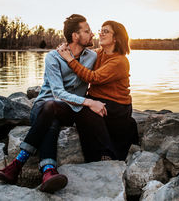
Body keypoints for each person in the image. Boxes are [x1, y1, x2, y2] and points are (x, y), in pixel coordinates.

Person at [0, 14, 107, 193]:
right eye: (87, 31)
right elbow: (58, 94)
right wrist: (89, 102)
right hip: (44, 106)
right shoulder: (53, 57)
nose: (92, 34)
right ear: (75, 36)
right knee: (50, 111)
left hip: (70, 110)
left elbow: (109, 59)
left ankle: (17, 164)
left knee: (53, 114)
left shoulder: (92, 56)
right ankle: (48, 171)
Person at [57, 20, 138, 162]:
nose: (101, 33)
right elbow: (80, 53)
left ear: (116, 38)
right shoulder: (99, 54)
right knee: (81, 110)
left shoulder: (119, 61)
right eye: (101, 30)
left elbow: (93, 77)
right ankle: (93, 156)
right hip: (98, 99)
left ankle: (107, 153)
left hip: (116, 105)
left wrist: (70, 60)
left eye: (106, 31)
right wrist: (67, 48)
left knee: (85, 111)